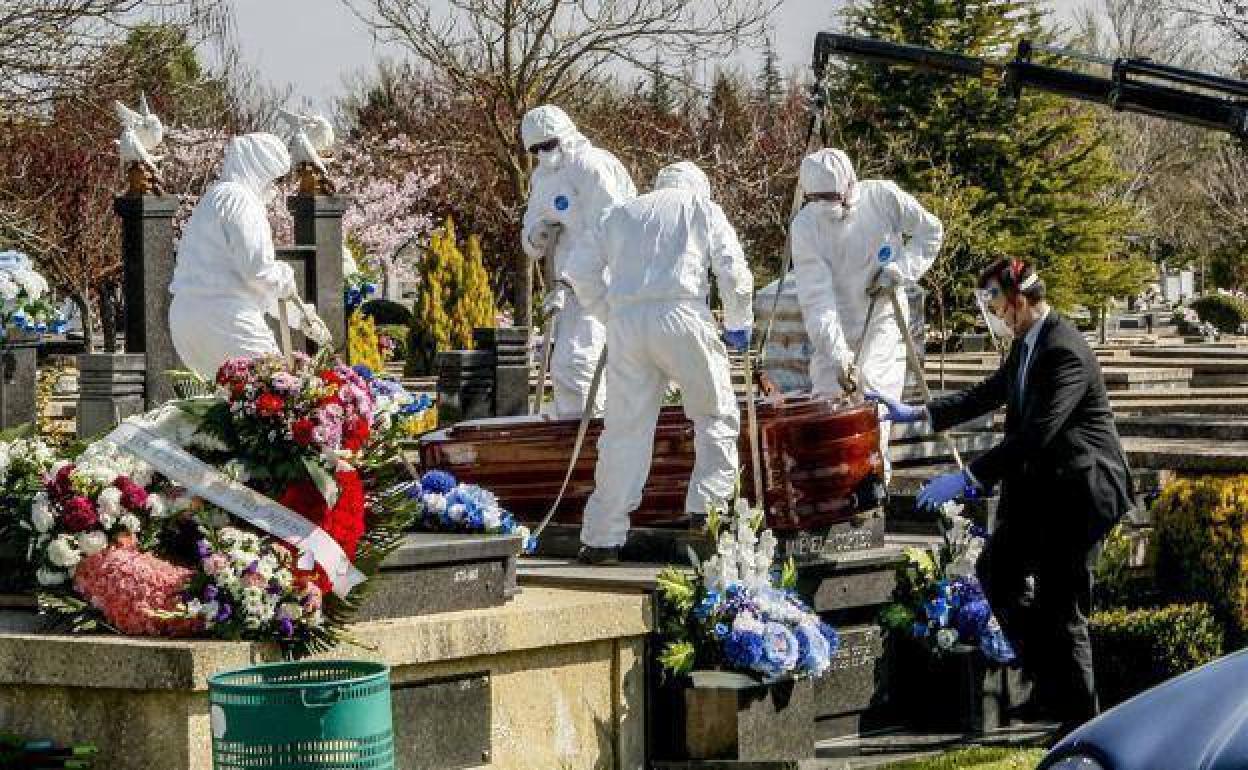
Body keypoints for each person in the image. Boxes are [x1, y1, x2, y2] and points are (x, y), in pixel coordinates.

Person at [872, 258, 1133, 737]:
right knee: (998, 571)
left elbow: (1036, 433)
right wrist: (919, 413)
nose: (992, 311)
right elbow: (989, 393)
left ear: (1019, 300)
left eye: (994, 301)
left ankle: (1081, 722)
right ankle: (1051, 683)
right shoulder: (1025, 345)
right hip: (1044, 489)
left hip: (1082, 491)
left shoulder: (1063, 349)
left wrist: (969, 477)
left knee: (1061, 604)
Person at [565, 161, 753, 564]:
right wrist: (739, 321)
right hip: (683, 314)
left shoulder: (618, 213)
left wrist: (609, 313)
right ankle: (708, 513)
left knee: (623, 431)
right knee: (714, 414)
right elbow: (733, 272)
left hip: (627, 324)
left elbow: (579, 272)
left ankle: (602, 537)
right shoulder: (701, 209)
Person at [789, 148, 942, 475]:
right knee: (828, 398)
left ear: (848, 187)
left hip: (883, 315)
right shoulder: (805, 227)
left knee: (873, 393)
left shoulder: (883, 199)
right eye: (818, 200)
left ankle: (872, 481)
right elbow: (817, 299)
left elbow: (931, 232)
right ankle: (832, 486)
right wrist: (839, 355)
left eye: (831, 198)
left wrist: (899, 271)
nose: (827, 207)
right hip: (835, 324)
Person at [170, 133, 331, 379]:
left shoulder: (214, 198)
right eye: (273, 178)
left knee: (227, 406)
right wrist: (285, 276)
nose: (274, 188)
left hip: (187, 317)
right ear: (259, 168)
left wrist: (299, 317)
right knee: (276, 394)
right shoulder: (241, 200)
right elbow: (258, 271)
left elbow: (242, 280)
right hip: (226, 319)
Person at [520, 105, 636, 418]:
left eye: (549, 145)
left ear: (566, 135)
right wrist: (535, 235)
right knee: (566, 364)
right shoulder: (543, 177)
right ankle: (574, 433)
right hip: (570, 280)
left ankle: (593, 431)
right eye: (536, 149)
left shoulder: (593, 166)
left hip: (605, 276)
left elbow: (608, 228)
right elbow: (531, 223)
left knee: (582, 359)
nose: (544, 154)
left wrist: (570, 279)